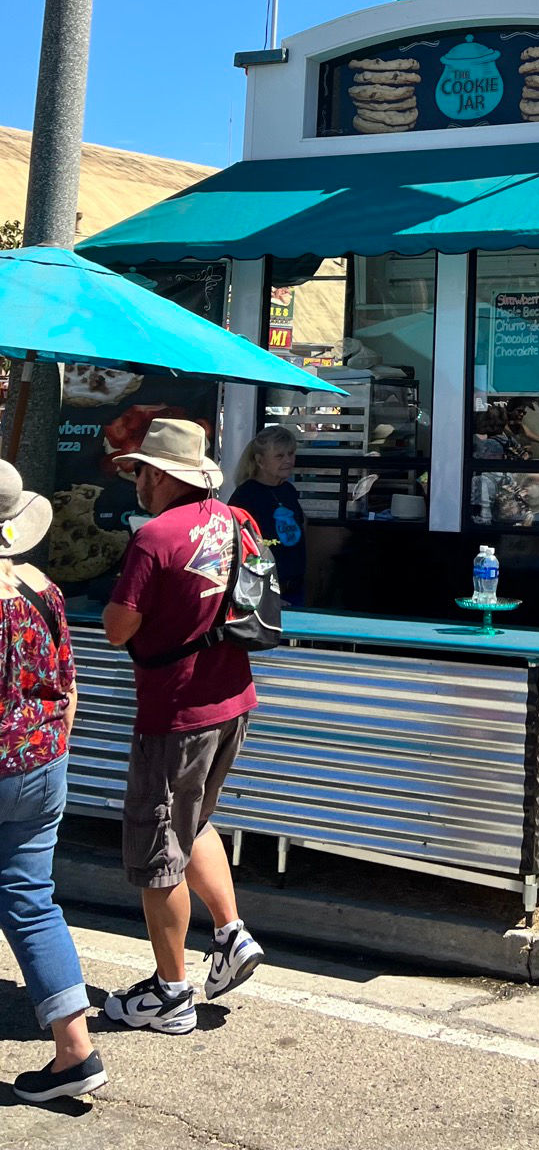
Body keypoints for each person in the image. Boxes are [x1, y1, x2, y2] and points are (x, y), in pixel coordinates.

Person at [100, 419, 265, 1035]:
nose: (136, 480)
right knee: (193, 821)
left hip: (176, 712)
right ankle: (229, 935)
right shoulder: (235, 520)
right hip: (233, 700)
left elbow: (118, 628)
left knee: (158, 852)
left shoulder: (154, 538)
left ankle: (170, 994)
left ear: (163, 474)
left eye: (140, 469)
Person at [0, 461, 107, 1105]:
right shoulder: (42, 587)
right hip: (42, 762)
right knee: (30, 900)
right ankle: (75, 1048)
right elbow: (68, 687)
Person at [230, 426, 305, 606]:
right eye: (279, 456)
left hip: (294, 588)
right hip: (264, 595)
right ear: (260, 461)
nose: (288, 460)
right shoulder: (245, 496)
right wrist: (266, 596)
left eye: (291, 453)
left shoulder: (288, 491)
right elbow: (240, 550)